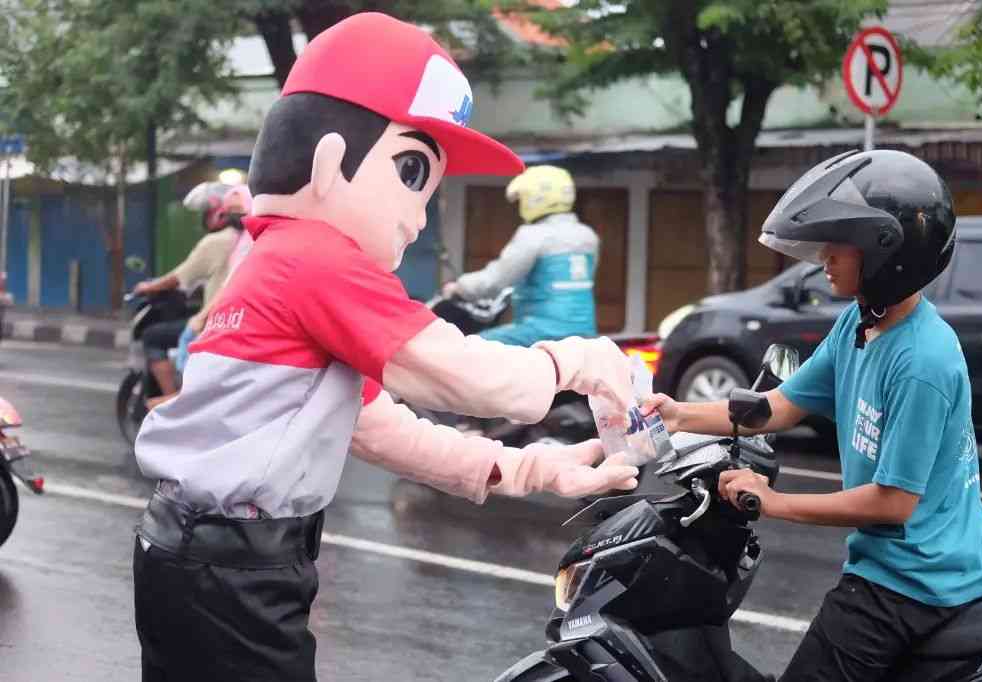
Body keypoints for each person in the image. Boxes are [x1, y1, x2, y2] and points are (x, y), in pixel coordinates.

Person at [131, 13, 640, 682]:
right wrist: (578, 359)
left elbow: (381, 428)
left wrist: (534, 470)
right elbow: (468, 379)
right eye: (411, 172)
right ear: (327, 160)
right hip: (230, 566)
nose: (420, 214)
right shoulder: (316, 260)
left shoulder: (275, 257)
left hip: (208, 557)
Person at [643, 149, 982, 682]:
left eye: (841, 245)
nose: (825, 259)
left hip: (915, 579)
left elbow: (893, 502)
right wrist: (677, 416)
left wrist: (774, 501)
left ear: (888, 254)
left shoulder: (922, 360)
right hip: (908, 564)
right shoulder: (860, 324)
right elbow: (780, 405)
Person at [442, 165, 599, 346]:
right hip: (585, 334)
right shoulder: (588, 236)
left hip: (541, 331)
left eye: (523, 198)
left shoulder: (534, 235)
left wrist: (459, 288)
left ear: (535, 198)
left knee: (471, 345)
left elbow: (496, 279)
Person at [133, 182, 244, 401]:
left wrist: (147, 287)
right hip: (235, 320)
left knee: (152, 337)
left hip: (215, 322)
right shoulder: (246, 239)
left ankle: (171, 402)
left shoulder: (216, 241)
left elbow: (180, 276)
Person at [171, 184, 253, 378]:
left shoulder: (251, 240)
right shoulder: (242, 239)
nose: (234, 216)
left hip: (232, 321)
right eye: (230, 211)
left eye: (238, 211)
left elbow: (232, 284)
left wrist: (201, 318)